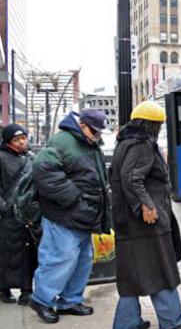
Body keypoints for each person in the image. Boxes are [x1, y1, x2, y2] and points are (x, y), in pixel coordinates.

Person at [110, 101, 181, 329]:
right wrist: (146, 206)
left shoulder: (124, 142)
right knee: (160, 269)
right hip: (146, 223)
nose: (158, 130)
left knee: (131, 275)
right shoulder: (141, 145)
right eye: (158, 125)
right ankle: (172, 318)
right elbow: (132, 178)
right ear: (150, 125)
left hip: (128, 223)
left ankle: (127, 322)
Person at [30, 110, 111, 324]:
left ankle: (69, 300)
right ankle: (42, 300)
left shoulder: (86, 141)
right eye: (95, 131)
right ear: (82, 125)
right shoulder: (63, 141)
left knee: (82, 259)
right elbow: (42, 170)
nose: (98, 135)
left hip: (81, 214)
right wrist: (74, 198)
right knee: (60, 258)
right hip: (65, 214)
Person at [0, 124, 37, 306]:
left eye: (23, 137)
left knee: (28, 252)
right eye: (17, 139)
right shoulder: (1, 158)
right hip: (7, 215)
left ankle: (26, 290)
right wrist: (4, 207)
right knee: (7, 251)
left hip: (27, 214)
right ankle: (4, 288)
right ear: (8, 141)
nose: (22, 141)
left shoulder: (31, 158)